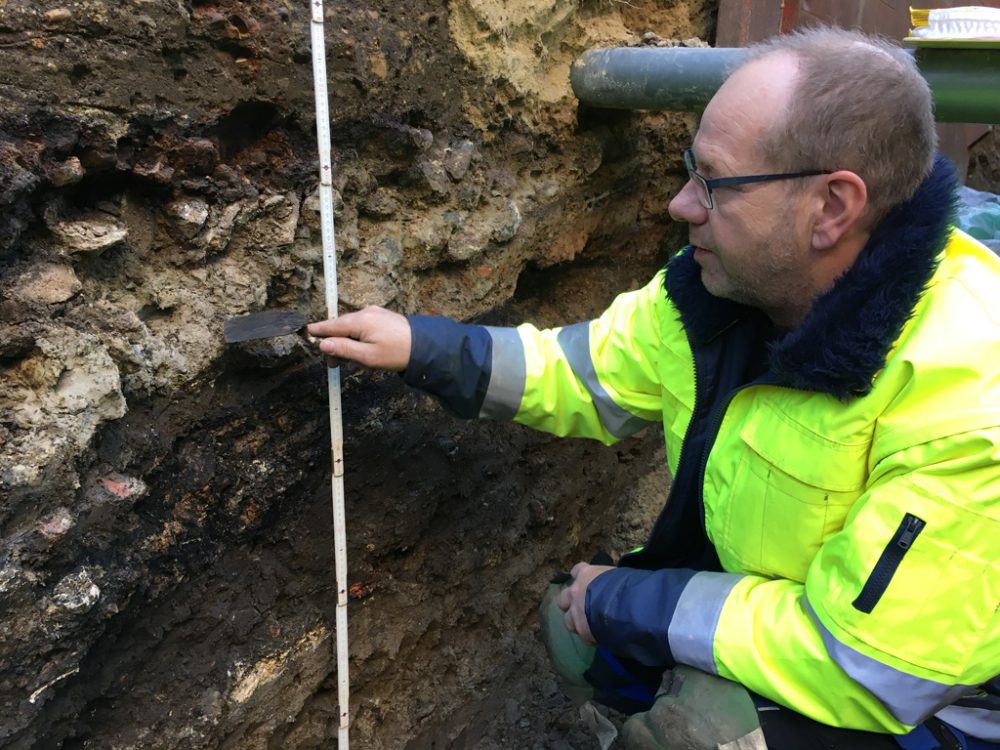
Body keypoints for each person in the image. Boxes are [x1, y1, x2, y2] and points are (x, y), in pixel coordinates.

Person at [308, 26, 1000, 750]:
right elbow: (581, 373)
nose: (680, 205)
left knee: (698, 733)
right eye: (686, 170)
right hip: (789, 613)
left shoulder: (965, 397)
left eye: (713, 181)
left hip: (934, 701)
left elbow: (866, 662)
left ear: (831, 208)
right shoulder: (719, 297)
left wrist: (628, 600)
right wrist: (421, 346)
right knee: (580, 632)